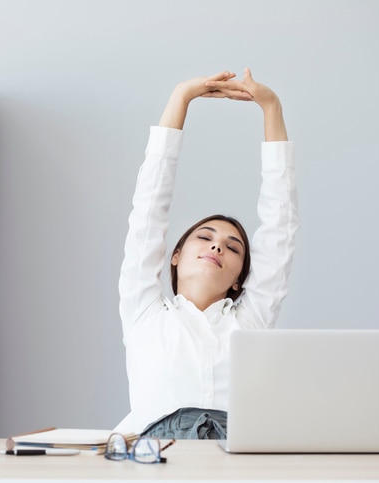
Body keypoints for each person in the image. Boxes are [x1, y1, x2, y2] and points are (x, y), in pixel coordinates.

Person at [114, 69, 299, 440]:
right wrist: (180, 98)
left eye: (233, 248)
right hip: (156, 462)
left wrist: (271, 107)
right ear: (175, 255)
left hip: (239, 463)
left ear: (239, 278)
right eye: (205, 237)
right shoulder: (144, 312)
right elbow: (149, 211)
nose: (217, 246)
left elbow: (281, 225)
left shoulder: (252, 323)